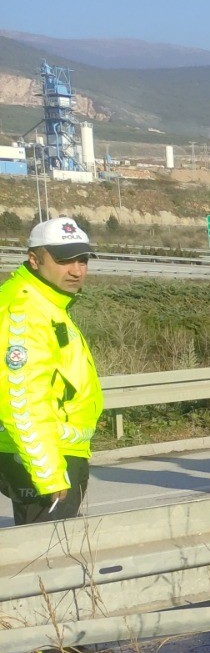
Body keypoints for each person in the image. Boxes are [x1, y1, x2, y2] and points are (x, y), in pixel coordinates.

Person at [0, 217, 103, 526]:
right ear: (35, 260)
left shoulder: (47, 304)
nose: (76, 270)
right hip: (44, 460)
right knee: (48, 564)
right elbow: (23, 400)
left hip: (52, 453)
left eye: (82, 259)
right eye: (63, 260)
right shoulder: (25, 312)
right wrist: (49, 474)